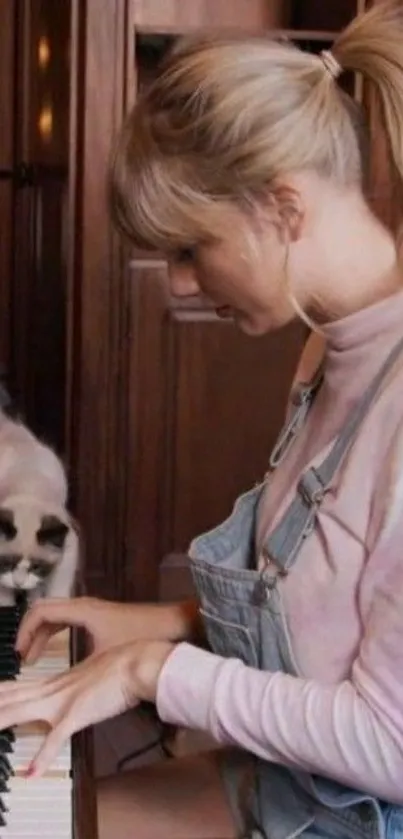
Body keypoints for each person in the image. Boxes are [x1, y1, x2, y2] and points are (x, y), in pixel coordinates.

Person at [2, 2, 403, 837]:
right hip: (287, 788)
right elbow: (316, 609)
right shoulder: (327, 353)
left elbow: (391, 740)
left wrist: (156, 668)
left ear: (283, 210)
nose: (179, 285)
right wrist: (155, 623)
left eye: (190, 248)